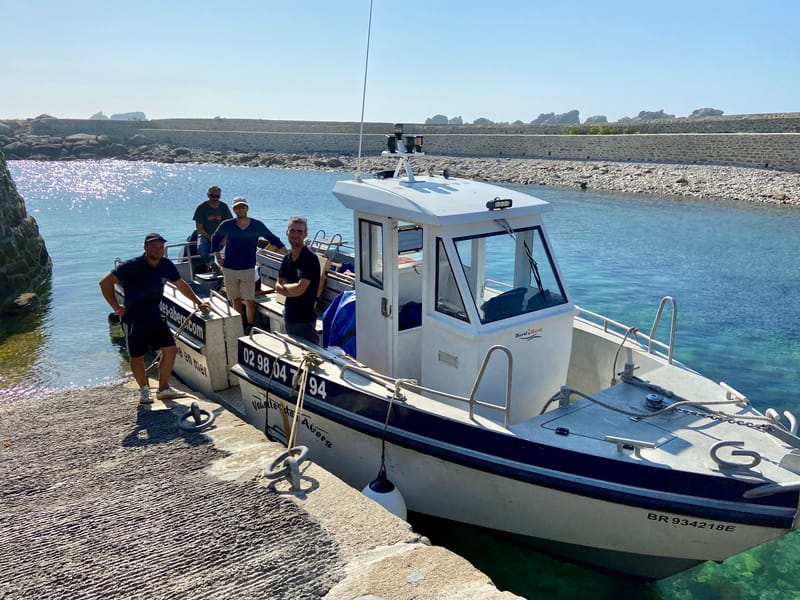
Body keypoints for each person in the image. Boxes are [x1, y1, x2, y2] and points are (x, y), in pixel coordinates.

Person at [99, 232, 210, 404]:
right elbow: (105, 283)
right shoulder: (131, 266)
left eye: (160, 246)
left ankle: (163, 388)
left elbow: (180, 284)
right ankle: (144, 391)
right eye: (154, 246)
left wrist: (198, 302)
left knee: (171, 350)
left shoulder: (165, 264)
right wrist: (116, 307)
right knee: (137, 357)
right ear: (145, 248)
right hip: (133, 318)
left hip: (154, 315)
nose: (158, 249)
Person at [211, 197, 287, 332]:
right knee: (236, 300)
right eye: (237, 207)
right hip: (230, 268)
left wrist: (287, 253)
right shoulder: (227, 224)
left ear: (247, 208)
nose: (240, 209)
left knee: (250, 301)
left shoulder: (256, 225)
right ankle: (240, 327)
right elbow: (215, 238)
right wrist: (218, 257)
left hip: (248, 268)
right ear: (234, 209)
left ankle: (250, 327)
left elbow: (272, 238)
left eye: (243, 207)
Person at [275, 217, 321, 344]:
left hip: (304, 320)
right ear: (287, 232)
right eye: (292, 230)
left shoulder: (310, 259)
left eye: (300, 232)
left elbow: (300, 289)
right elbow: (277, 287)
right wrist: (291, 288)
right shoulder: (287, 259)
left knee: (309, 357)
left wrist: (285, 286)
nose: (295, 234)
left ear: (306, 234)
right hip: (289, 316)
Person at [192, 185, 232, 270]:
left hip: (220, 236)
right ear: (208, 195)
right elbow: (199, 228)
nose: (215, 198)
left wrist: (225, 239)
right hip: (205, 235)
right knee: (201, 248)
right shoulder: (201, 208)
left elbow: (229, 225)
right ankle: (213, 265)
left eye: (217, 196)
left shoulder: (224, 207)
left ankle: (227, 268)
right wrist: (209, 238)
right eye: (212, 196)